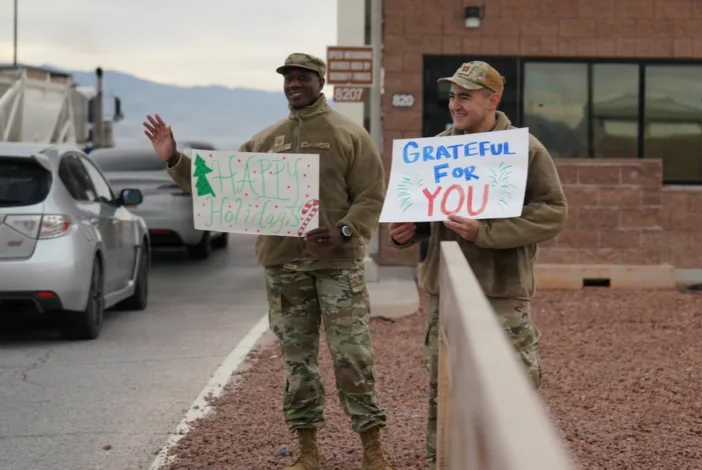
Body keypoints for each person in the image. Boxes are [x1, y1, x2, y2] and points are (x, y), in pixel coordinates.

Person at [143, 53, 395, 470]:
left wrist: (345, 231)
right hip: (284, 268)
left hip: (337, 265)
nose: (294, 84)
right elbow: (219, 185)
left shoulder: (350, 135)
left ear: (320, 81)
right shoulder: (266, 140)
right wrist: (174, 158)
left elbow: (371, 195)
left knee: (352, 355)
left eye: (302, 78)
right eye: (288, 78)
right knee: (298, 363)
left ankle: (373, 450)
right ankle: (307, 451)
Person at [388, 61, 568, 467]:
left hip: (500, 288)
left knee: (513, 385)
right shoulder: (436, 148)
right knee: (444, 384)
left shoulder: (525, 150)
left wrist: (484, 232)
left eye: (465, 96)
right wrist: (409, 230)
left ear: (493, 100)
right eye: (452, 96)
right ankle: (443, 460)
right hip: (444, 289)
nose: (455, 104)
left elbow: (553, 212)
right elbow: (423, 211)